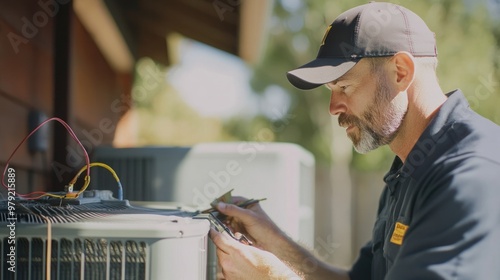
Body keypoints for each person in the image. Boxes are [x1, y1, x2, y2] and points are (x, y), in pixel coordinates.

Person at [210, 2, 500, 279]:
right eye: (330, 90)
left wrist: (273, 278)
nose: (333, 107)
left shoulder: (470, 174)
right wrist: (274, 242)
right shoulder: (406, 171)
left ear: (401, 72)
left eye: (344, 86)